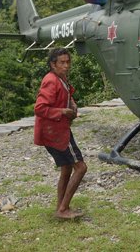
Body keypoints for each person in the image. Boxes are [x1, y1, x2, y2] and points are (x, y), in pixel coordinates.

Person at [34, 48, 87, 220]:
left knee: (66, 168)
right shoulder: (50, 80)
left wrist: (71, 103)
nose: (66, 66)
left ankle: (61, 207)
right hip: (56, 132)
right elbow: (40, 108)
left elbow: (66, 92)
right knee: (81, 168)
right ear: (52, 64)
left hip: (57, 131)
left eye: (68, 62)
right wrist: (63, 112)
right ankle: (63, 209)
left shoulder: (60, 77)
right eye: (62, 63)